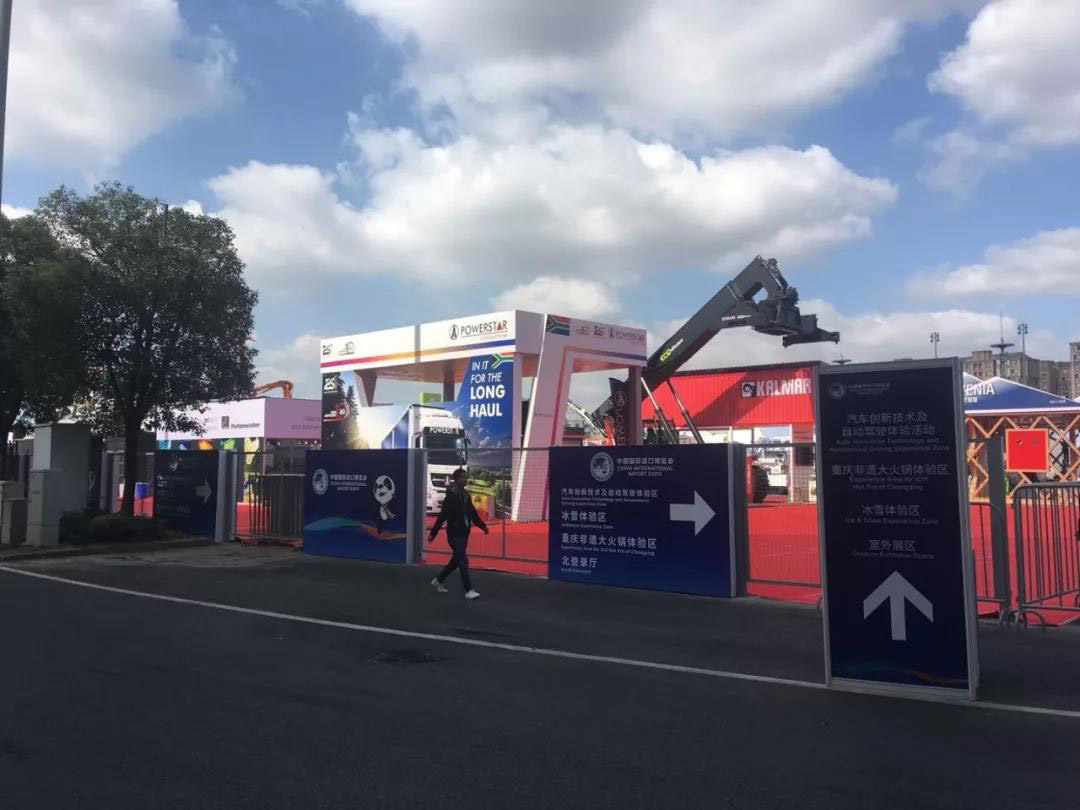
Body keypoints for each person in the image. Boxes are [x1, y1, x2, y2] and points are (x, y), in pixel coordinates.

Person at [429, 468, 488, 600]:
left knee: (456, 561)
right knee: (463, 560)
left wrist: (483, 526)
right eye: (462, 477)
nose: (465, 479)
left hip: (464, 533)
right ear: (456, 480)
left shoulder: (466, 495)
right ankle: (469, 590)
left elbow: (472, 513)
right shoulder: (450, 497)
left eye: (466, 477)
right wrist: (433, 533)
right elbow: (442, 516)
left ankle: (438, 580)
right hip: (454, 534)